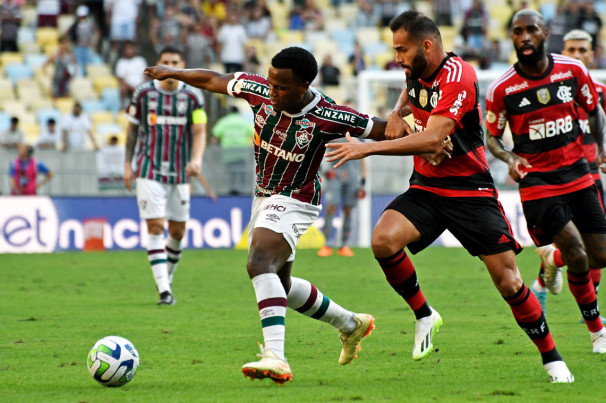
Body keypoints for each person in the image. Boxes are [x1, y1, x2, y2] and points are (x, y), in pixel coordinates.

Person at [325, 10, 575, 383]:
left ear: (427, 45)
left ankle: (553, 359)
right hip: (427, 187)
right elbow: (412, 97)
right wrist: (395, 113)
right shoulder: (415, 68)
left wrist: (368, 149)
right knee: (383, 239)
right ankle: (425, 314)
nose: (397, 58)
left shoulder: (460, 76)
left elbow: (431, 136)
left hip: (469, 190)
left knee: (509, 282)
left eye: (402, 49)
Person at [144, 46, 395, 384]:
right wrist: (174, 72)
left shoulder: (329, 115)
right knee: (282, 284)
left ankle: (275, 356)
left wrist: (429, 136)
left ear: (304, 86)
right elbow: (214, 79)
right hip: (263, 198)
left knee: (258, 261)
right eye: (271, 82)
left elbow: (383, 130)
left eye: (281, 87)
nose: (272, 91)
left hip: (298, 198)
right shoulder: (259, 90)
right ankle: (350, 324)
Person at [485, 10, 606, 360]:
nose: (524, 37)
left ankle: (552, 258)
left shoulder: (572, 71)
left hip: (578, 173)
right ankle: (597, 331)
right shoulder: (502, 89)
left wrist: (601, 146)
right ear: (511, 37)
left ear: (544, 34)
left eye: (531, 30)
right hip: (538, 182)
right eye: (517, 31)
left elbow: (595, 110)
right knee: (579, 255)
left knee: (599, 254)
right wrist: (510, 159)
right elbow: (492, 137)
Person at [529, 29, 606, 324]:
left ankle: (544, 278)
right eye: (570, 49)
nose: (576, 55)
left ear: (591, 53)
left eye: (582, 49)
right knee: (576, 242)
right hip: (556, 178)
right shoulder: (548, 91)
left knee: (590, 244)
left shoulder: (598, 92)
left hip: (590, 175)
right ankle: (592, 318)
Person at [123, 47, 208, 306]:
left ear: (182, 65)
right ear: (158, 65)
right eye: (165, 62)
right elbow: (131, 132)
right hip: (148, 169)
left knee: (178, 232)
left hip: (181, 172)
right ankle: (164, 291)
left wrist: (197, 159)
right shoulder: (143, 93)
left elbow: (200, 131)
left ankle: (166, 281)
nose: (170, 66)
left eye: (175, 62)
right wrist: (127, 164)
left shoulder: (194, 96)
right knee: (156, 226)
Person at [317, 141, 366, 257]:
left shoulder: (357, 133)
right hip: (334, 176)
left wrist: (363, 179)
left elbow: (364, 157)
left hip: (352, 177)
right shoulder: (333, 131)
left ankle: (344, 245)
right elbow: (318, 149)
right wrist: (323, 171)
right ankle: (327, 244)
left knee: (349, 209)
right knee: (331, 207)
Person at [210, 105, 254, 195]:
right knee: (241, 173)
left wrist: (213, 149)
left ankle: (231, 192)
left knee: (230, 173)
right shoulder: (244, 121)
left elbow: (214, 135)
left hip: (228, 153)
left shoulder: (224, 121)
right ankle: (241, 192)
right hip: (242, 152)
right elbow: (254, 134)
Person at [68, 5, 100, 77]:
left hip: (87, 48)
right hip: (78, 48)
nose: (82, 18)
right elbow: (67, 34)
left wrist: (93, 42)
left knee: (88, 68)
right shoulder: (75, 25)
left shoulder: (90, 24)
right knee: (78, 68)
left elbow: (97, 33)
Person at [115, 42, 148, 108]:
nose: (130, 51)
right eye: (128, 49)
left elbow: (146, 75)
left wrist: (139, 87)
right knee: (123, 87)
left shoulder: (140, 60)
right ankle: (122, 107)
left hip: (140, 85)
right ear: (124, 50)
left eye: (131, 49)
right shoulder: (121, 62)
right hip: (128, 88)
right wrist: (132, 88)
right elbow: (121, 79)